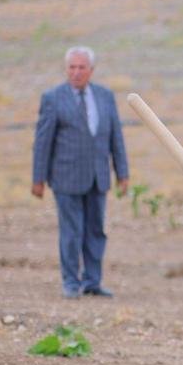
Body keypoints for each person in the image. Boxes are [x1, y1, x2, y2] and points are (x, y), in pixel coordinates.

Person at [31, 46, 130, 299]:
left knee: (96, 231)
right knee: (71, 232)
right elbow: (43, 142)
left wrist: (122, 172)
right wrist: (38, 178)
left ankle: (93, 282)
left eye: (81, 67)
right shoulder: (53, 98)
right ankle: (71, 283)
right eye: (72, 67)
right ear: (66, 70)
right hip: (66, 177)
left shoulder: (105, 97)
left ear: (91, 70)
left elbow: (115, 137)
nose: (76, 72)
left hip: (98, 176)